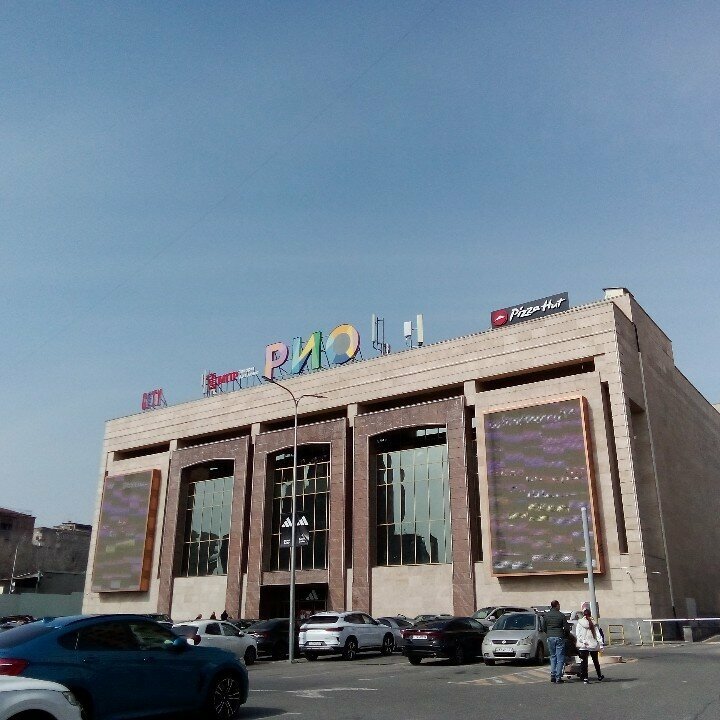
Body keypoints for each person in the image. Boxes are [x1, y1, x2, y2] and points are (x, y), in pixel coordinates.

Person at [575, 608, 605, 683]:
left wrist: (583, 641)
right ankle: (599, 676)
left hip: (583, 645)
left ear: (583, 615)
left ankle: (585, 678)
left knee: (584, 662)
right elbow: (598, 634)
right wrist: (601, 644)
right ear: (590, 614)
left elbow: (578, 634)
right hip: (592, 644)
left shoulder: (580, 622)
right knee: (595, 661)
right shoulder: (593, 623)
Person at [544, 600, 571, 683]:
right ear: (557, 605)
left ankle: (553, 675)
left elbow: (543, 626)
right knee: (560, 657)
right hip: (559, 637)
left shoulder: (546, 615)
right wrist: (565, 635)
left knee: (553, 656)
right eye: (559, 605)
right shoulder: (561, 615)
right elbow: (566, 628)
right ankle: (558, 677)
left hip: (550, 637)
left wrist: (548, 633)